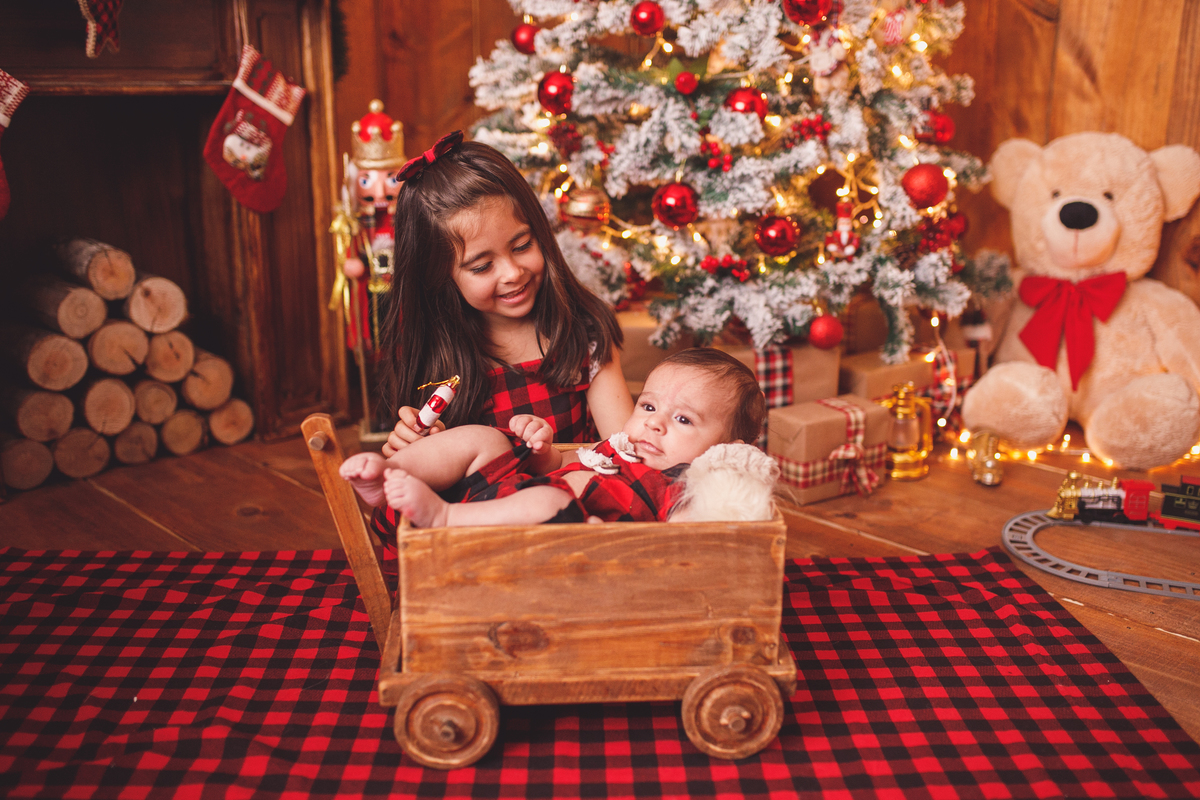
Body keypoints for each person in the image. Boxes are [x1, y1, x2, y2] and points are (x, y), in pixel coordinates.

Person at [377, 130, 633, 459]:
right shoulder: (433, 355)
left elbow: (627, 451)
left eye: (522, 246)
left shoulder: (584, 333)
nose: (513, 273)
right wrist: (414, 446)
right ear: (440, 279)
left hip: (570, 499)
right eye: (482, 267)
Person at [341, 349, 767, 529]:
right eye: (649, 407)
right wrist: (539, 449)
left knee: (553, 503)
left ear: (726, 450)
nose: (654, 425)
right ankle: (389, 475)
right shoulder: (618, 449)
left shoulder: (684, 488)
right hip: (507, 499)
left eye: (684, 419)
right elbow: (565, 466)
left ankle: (442, 518)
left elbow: (688, 551)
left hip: (549, 538)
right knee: (484, 438)